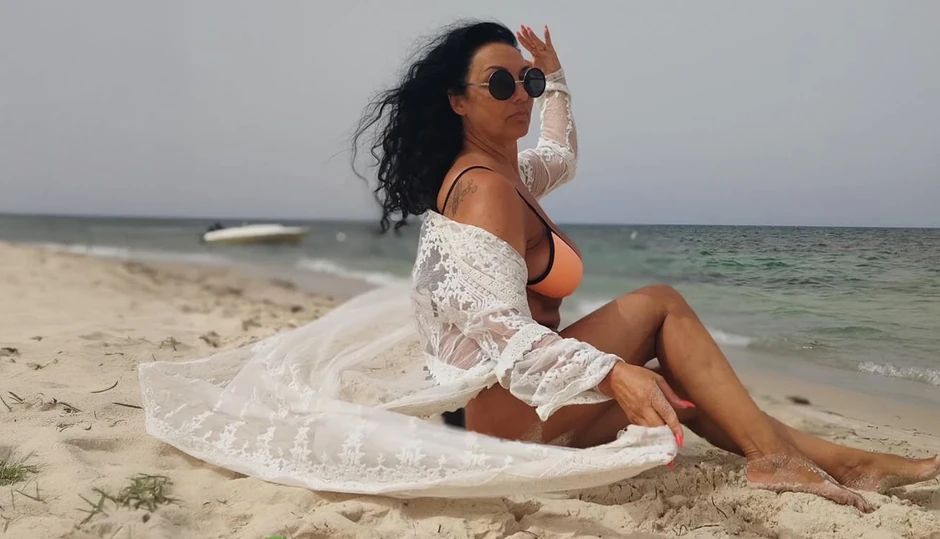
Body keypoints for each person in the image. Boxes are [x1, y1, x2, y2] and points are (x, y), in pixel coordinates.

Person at [138, 19, 939, 505]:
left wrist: (554, 77)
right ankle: (780, 460)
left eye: (521, 80)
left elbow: (561, 153)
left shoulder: (509, 172)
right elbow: (503, 333)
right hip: (496, 409)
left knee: (691, 389)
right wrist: (611, 371)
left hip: (519, 402)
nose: (518, 95)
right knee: (659, 304)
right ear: (458, 100)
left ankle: (853, 462)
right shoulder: (486, 191)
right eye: (501, 83)